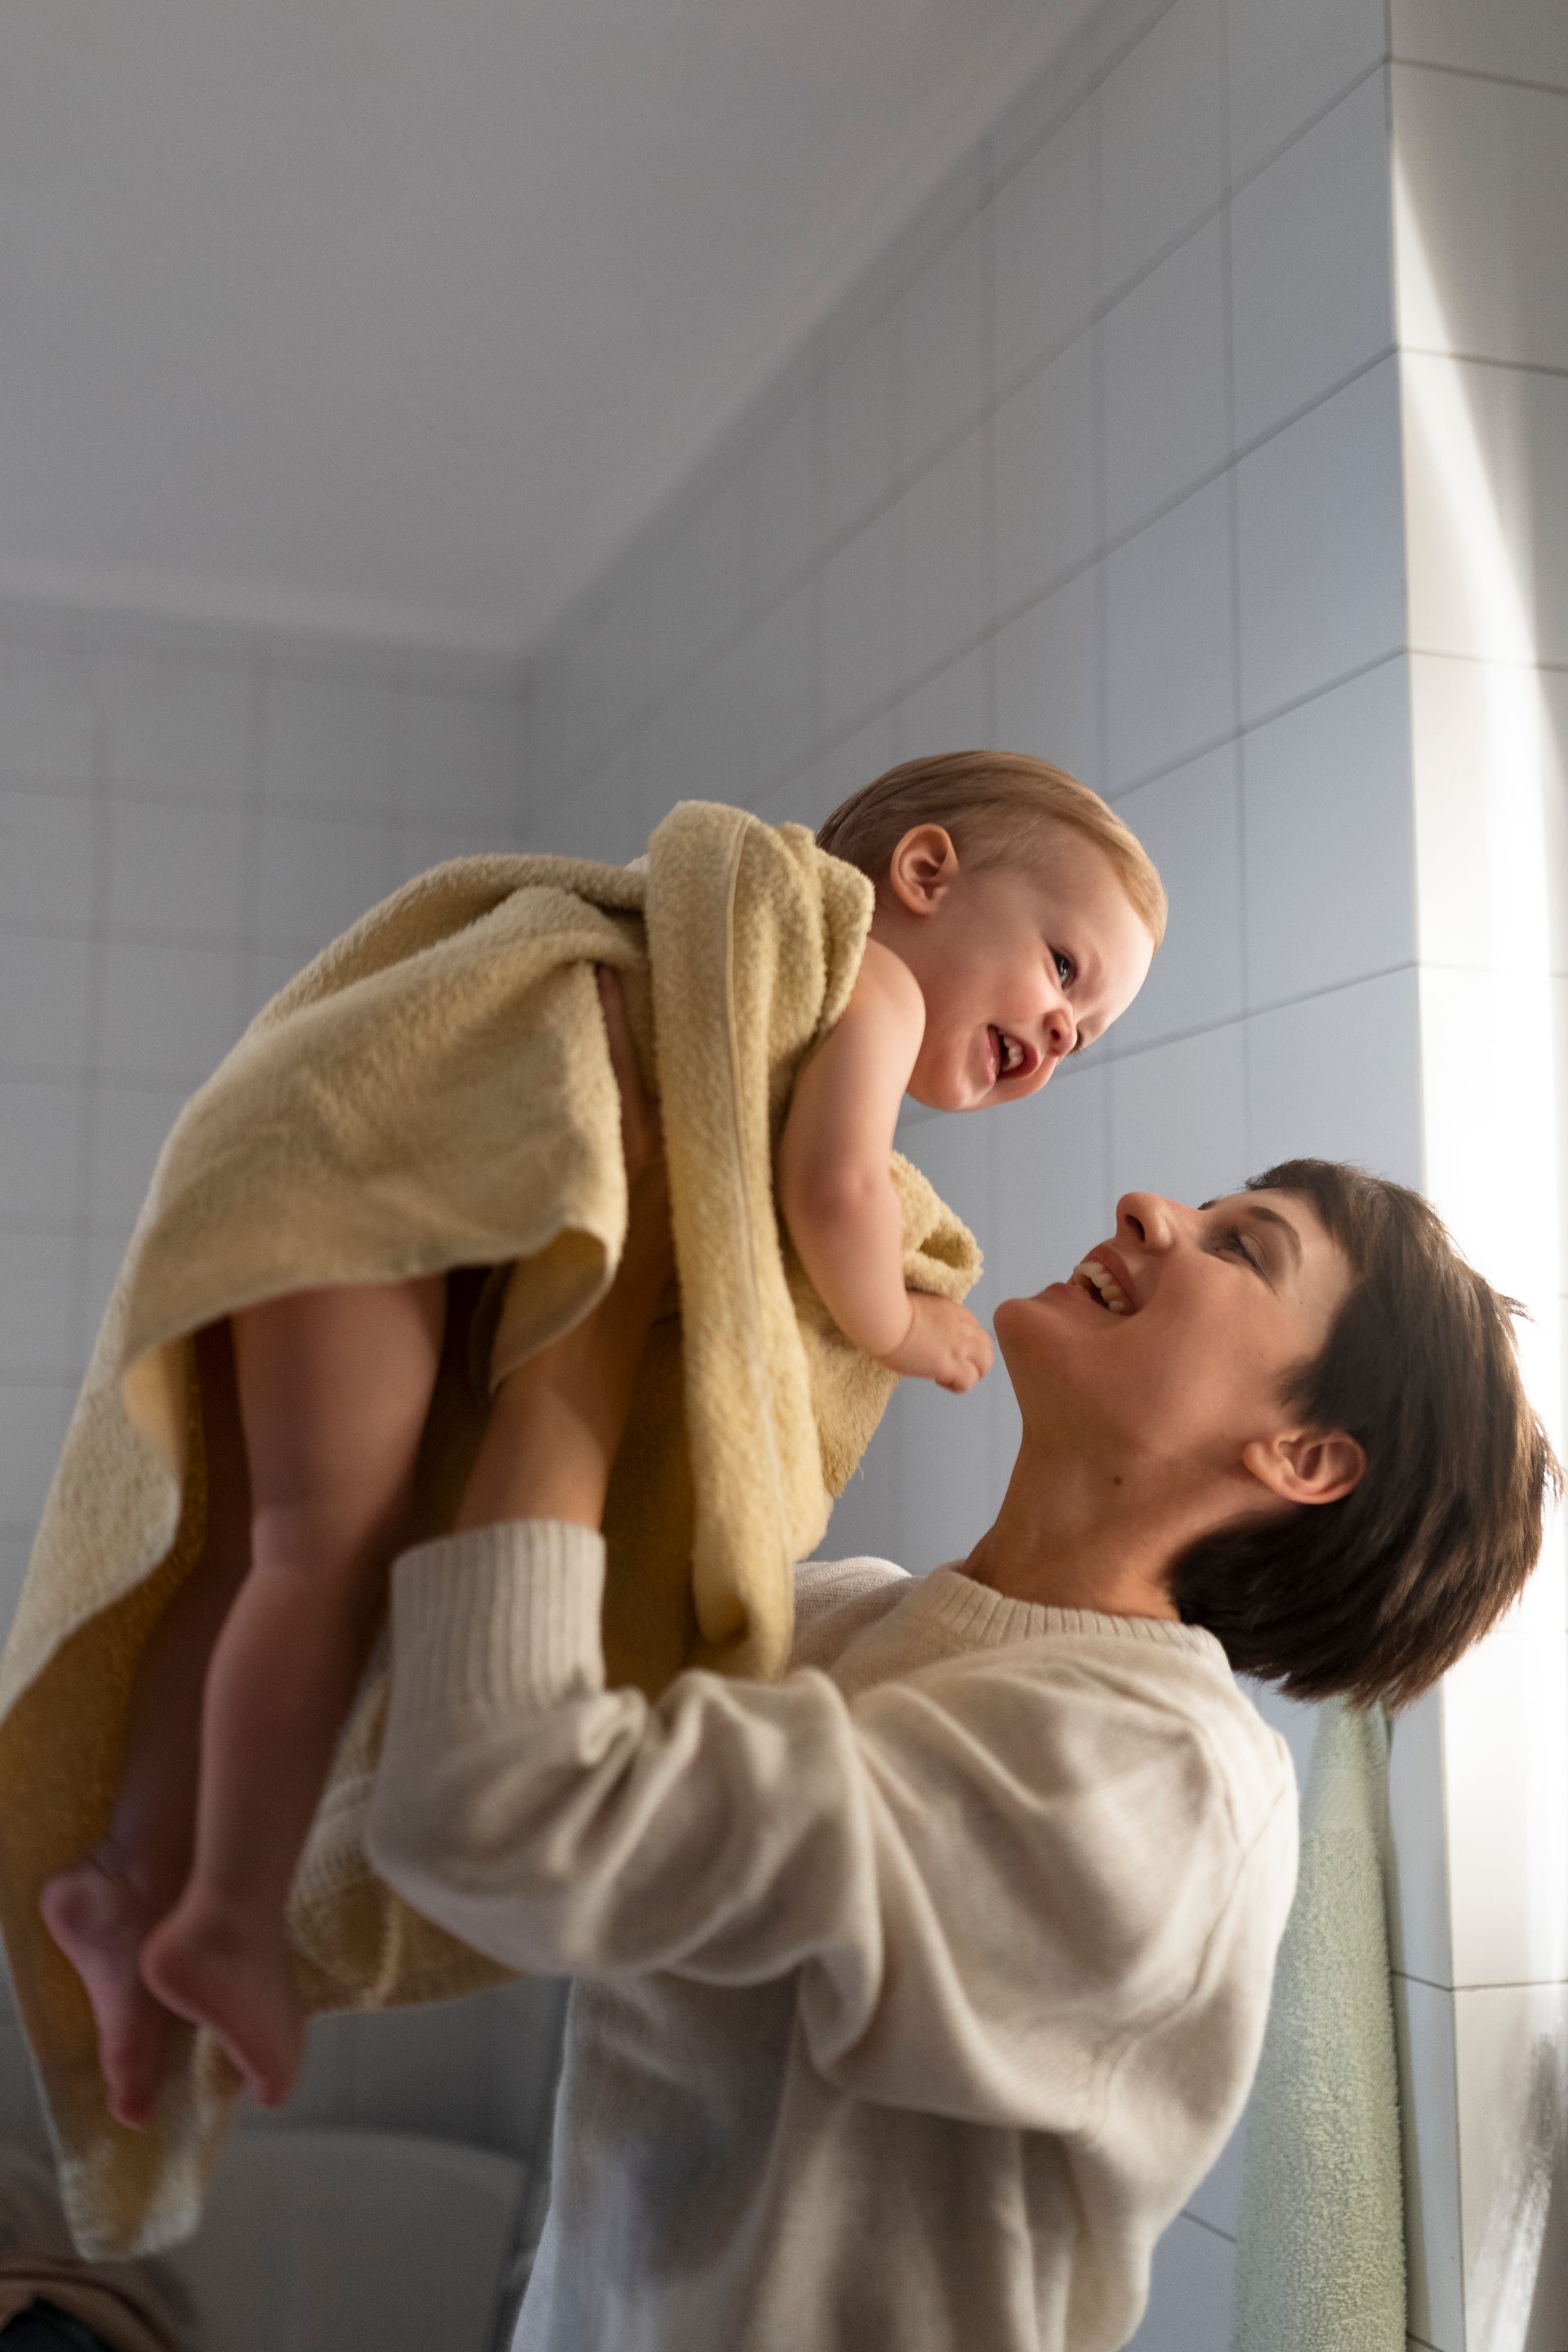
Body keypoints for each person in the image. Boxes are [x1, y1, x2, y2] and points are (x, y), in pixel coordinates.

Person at [367, 976, 1557, 2352]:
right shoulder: (840, 1620)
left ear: (1303, 1457)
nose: (1148, 1211)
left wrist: (596, 1307)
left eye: (1244, 1247)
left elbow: (498, 1807)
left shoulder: (1159, 1780)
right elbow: (449, 1697)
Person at [39, 752, 1163, 2129]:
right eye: (1064, 969)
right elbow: (832, 1187)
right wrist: (905, 1328)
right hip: (369, 1159)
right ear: (925, 876)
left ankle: (129, 1872)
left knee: (261, 1555)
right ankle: (219, 1913)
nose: (1058, 1034)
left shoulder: (776, 994)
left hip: (327, 1137)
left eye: (1086, 1033)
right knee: (316, 1554)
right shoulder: (862, 973)